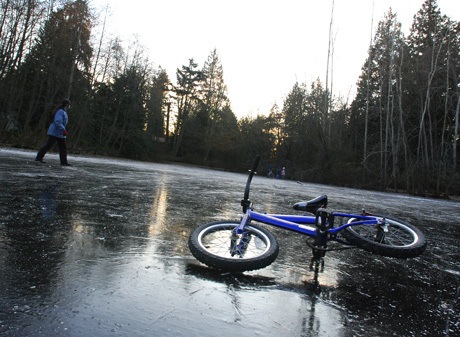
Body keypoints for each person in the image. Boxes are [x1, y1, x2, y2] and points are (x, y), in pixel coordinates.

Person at [35, 99, 72, 166]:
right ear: (66, 105)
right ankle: (39, 157)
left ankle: (63, 162)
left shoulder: (62, 111)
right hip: (56, 132)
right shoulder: (61, 111)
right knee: (50, 145)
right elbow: (57, 121)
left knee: (62, 147)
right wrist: (63, 129)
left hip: (58, 133)